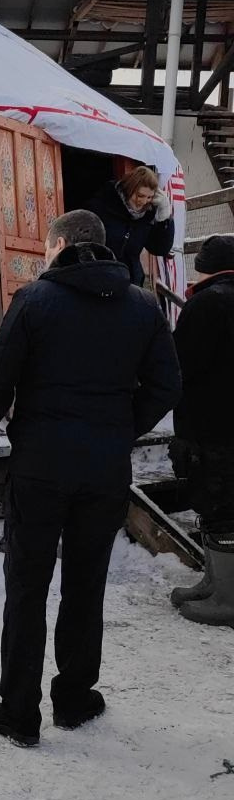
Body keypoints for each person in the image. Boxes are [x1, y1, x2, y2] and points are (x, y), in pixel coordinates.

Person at [0, 210, 181, 747]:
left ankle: (19, 713)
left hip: (40, 463)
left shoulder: (35, 301)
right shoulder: (142, 304)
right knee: (86, 584)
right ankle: (76, 699)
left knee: (27, 586)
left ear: (58, 245)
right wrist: (121, 428)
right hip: (104, 468)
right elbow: (167, 384)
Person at [168, 234, 234, 626]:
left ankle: (226, 597)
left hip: (213, 421)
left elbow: (183, 364)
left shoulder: (208, 304)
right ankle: (214, 583)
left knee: (220, 506)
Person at [86, 165, 175, 287]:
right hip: (101, 280)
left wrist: (165, 216)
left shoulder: (147, 215)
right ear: (129, 188)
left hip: (131, 284)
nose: (143, 202)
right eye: (140, 195)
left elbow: (160, 249)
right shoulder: (102, 206)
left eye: (149, 197)